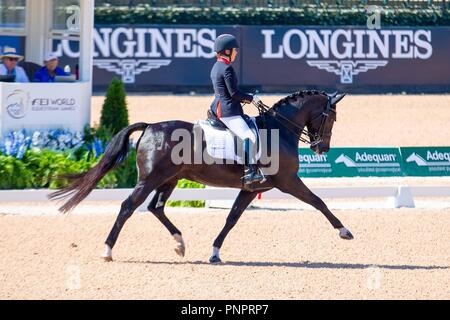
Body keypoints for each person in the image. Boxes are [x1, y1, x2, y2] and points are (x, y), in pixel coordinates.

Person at [209, 34, 265, 185]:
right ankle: (249, 172)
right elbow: (234, 93)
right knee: (249, 136)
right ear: (227, 51)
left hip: (219, 106)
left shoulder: (217, 66)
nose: (236, 53)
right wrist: (251, 98)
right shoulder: (226, 68)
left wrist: (247, 96)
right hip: (228, 111)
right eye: (234, 50)